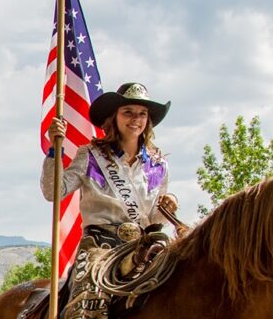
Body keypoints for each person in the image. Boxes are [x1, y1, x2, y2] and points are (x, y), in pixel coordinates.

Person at [43, 82, 177, 239]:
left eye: (142, 113)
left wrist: (170, 204)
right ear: (114, 116)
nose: (136, 119)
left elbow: (154, 219)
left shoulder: (158, 165)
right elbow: (53, 192)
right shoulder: (90, 155)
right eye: (128, 112)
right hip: (99, 246)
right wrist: (54, 150)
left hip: (143, 246)